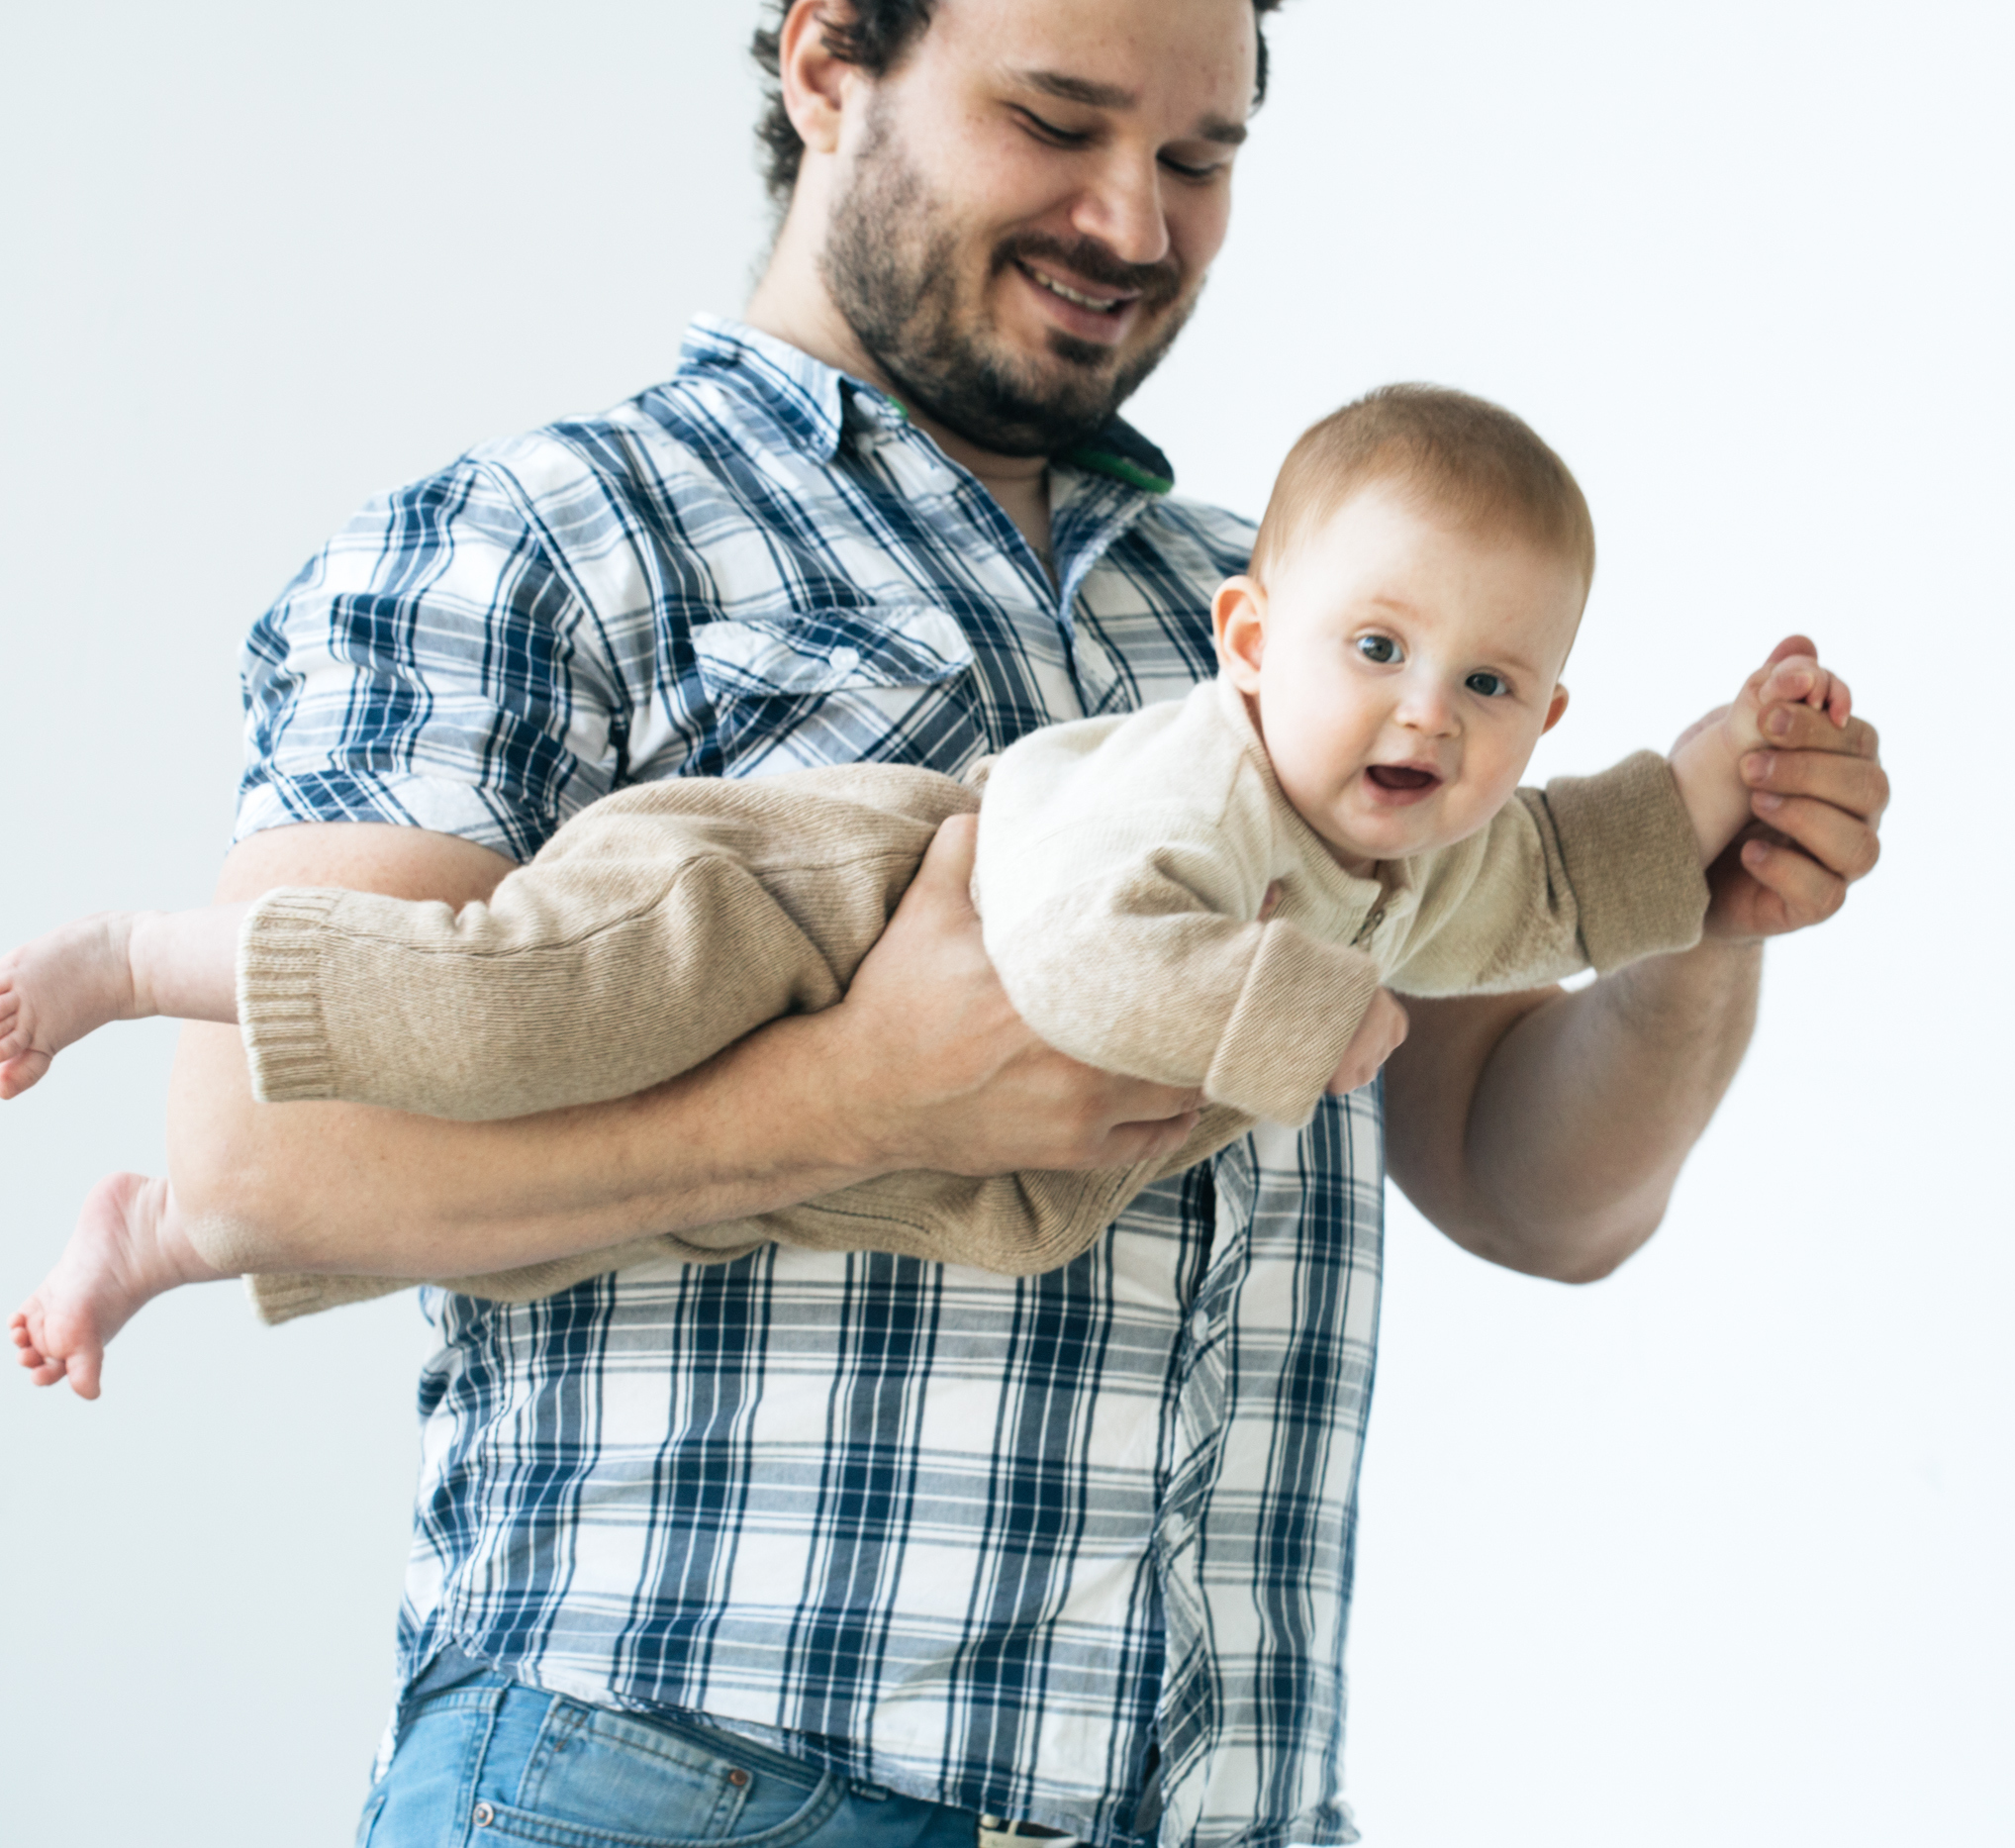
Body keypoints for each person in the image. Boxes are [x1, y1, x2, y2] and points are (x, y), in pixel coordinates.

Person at [68, 0, 1887, 1841]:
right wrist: (858, 1101)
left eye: (1198, 157)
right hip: (678, 1787)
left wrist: (1703, 925)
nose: (1132, 223)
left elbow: (1533, 1186)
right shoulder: (542, 538)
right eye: (1057, 119)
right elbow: (253, 1157)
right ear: (822, 63)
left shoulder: (1318, 629)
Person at [4, 385, 1851, 1372]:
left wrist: (1707, 821)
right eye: (1058, 114)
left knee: (617, 1219)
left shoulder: (1398, 813)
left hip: (1186, 1780)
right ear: (1254, 638)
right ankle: (121, 956)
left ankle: (156, 1242)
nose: (1426, 715)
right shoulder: (1215, 759)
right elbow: (1070, 941)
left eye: (1492, 690)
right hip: (771, 911)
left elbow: (1543, 916)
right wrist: (1300, 1012)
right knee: (522, 1007)